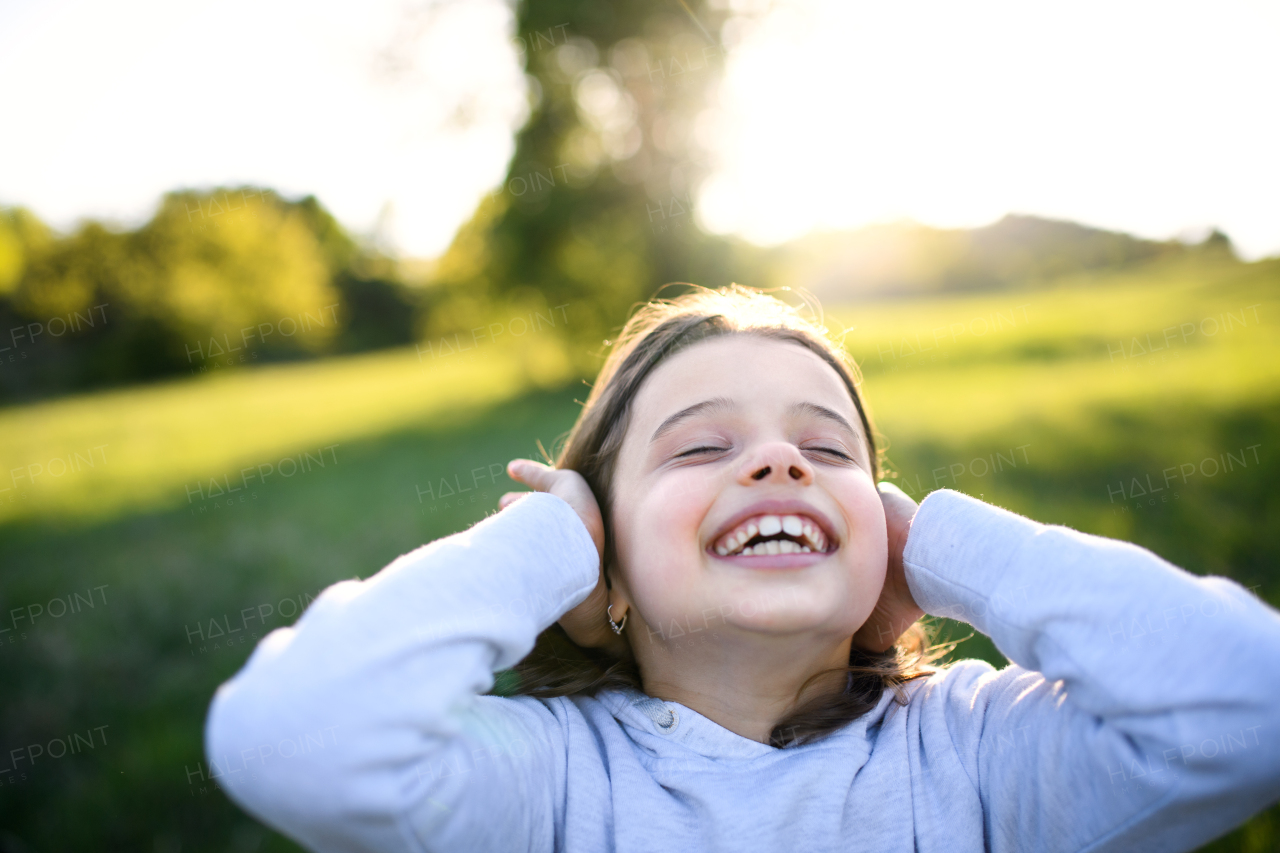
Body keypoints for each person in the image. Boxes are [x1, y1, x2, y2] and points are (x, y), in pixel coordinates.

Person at [204, 285, 1280, 852]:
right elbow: (294, 737)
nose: (775, 459)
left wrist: (943, 548)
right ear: (606, 565)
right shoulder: (554, 784)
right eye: (699, 446)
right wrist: (545, 544)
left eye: (826, 451)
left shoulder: (974, 752)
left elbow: (1251, 702)